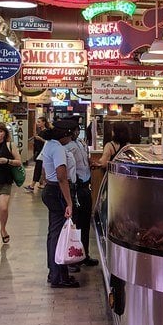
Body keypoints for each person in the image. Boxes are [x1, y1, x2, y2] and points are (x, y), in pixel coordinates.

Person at [40, 123, 79, 288]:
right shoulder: (58, 149)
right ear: (64, 135)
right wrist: (69, 202)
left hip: (50, 189)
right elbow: (62, 176)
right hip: (57, 191)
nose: (70, 139)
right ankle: (59, 277)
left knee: (53, 233)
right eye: (70, 136)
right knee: (59, 235)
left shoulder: (49, 145)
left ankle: (54, 272)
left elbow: (43, 168)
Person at [62, 120, 98, 268]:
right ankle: (73, 258)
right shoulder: (67, 147)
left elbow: (83, 161)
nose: (77, 132)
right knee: (75, 223)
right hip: (75, 187)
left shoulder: (80, 143)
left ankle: (84, 254)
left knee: (85, 222)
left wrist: (90, 163)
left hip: (85, 185)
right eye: (75, 130)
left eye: (78, 130)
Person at [24, 116, 50, 192]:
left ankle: (32, 185)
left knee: (38, 168)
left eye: (39, 122)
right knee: (41, 168)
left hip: (43, 153)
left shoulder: (46, 132)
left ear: (44, 122)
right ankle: (42, 183)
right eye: (37, 122)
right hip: (39, 152)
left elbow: (48, 142)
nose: (38, 123)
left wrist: (40, 139)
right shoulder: (40, 131)